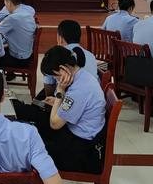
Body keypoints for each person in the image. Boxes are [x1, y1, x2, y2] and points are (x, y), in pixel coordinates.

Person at [18, 46, 106, 174]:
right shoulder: (83, 76)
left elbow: (55, 124)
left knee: (32, 146)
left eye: (56, 76)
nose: (56, 80)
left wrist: (59, 93)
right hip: (78, 136)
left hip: (80, 151)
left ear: (64, 68)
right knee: (38, 117)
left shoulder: (79, 89)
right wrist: (59, 100)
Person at [41, 20, 98, 97]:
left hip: (67, 99)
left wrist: (56, 98)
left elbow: (49, 89)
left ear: (60, 38)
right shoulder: (91, 55)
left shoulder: (56, 56)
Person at [0, 0, 36, 74]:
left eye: (5, 4)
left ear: (9, 3)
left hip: (18, 59)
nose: (5, 7)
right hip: (27, 55)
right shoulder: (28, 14)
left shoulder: (12, 18)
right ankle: (10, 75)